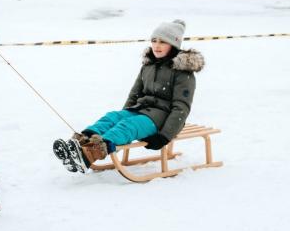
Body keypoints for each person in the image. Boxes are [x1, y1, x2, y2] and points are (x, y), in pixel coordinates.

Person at [53, 20, 203, 174]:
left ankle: (90, 154)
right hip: (141, 110)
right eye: (154, 40)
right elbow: (135, 94)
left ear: (174, 45)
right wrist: (124, 114)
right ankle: (80, 143)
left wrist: (164, 137)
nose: (157, 46)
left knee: (129, 126)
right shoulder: (148, 65)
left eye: (163, 42)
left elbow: (181, 108)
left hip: (162, 119)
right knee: (112, 117)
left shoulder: (183, 72)